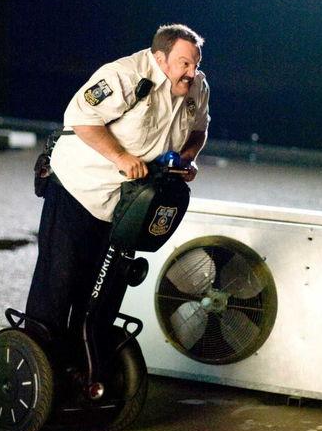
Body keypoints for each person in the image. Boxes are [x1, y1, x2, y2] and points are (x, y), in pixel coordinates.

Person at [26, 23, 210, 338]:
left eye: (196, 64)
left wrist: (188, 158)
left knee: (104, 294)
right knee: (59, 283)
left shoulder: (197, 87)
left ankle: (87, 357)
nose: (192, 72)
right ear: (160, 59)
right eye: (185, 63)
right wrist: (121, 157)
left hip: (128, 203)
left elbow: (198, 129)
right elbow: (81, 119)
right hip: (81, 189)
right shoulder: (124, 76)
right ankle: (37, 354)